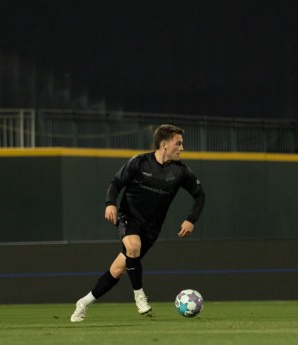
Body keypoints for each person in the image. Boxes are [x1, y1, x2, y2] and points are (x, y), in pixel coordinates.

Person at [70, 124, 206, 323]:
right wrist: (110, 204)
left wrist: (191, 219)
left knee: (117, 269)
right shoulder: (140, 162)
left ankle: (83, 303)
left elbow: (200, 195)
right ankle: (139, 296)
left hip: (152, 228)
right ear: (164, 144)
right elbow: (116, 183)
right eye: (178, 143)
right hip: (129, 216)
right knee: (133, 246)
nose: (182, 148)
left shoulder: (180, 171)